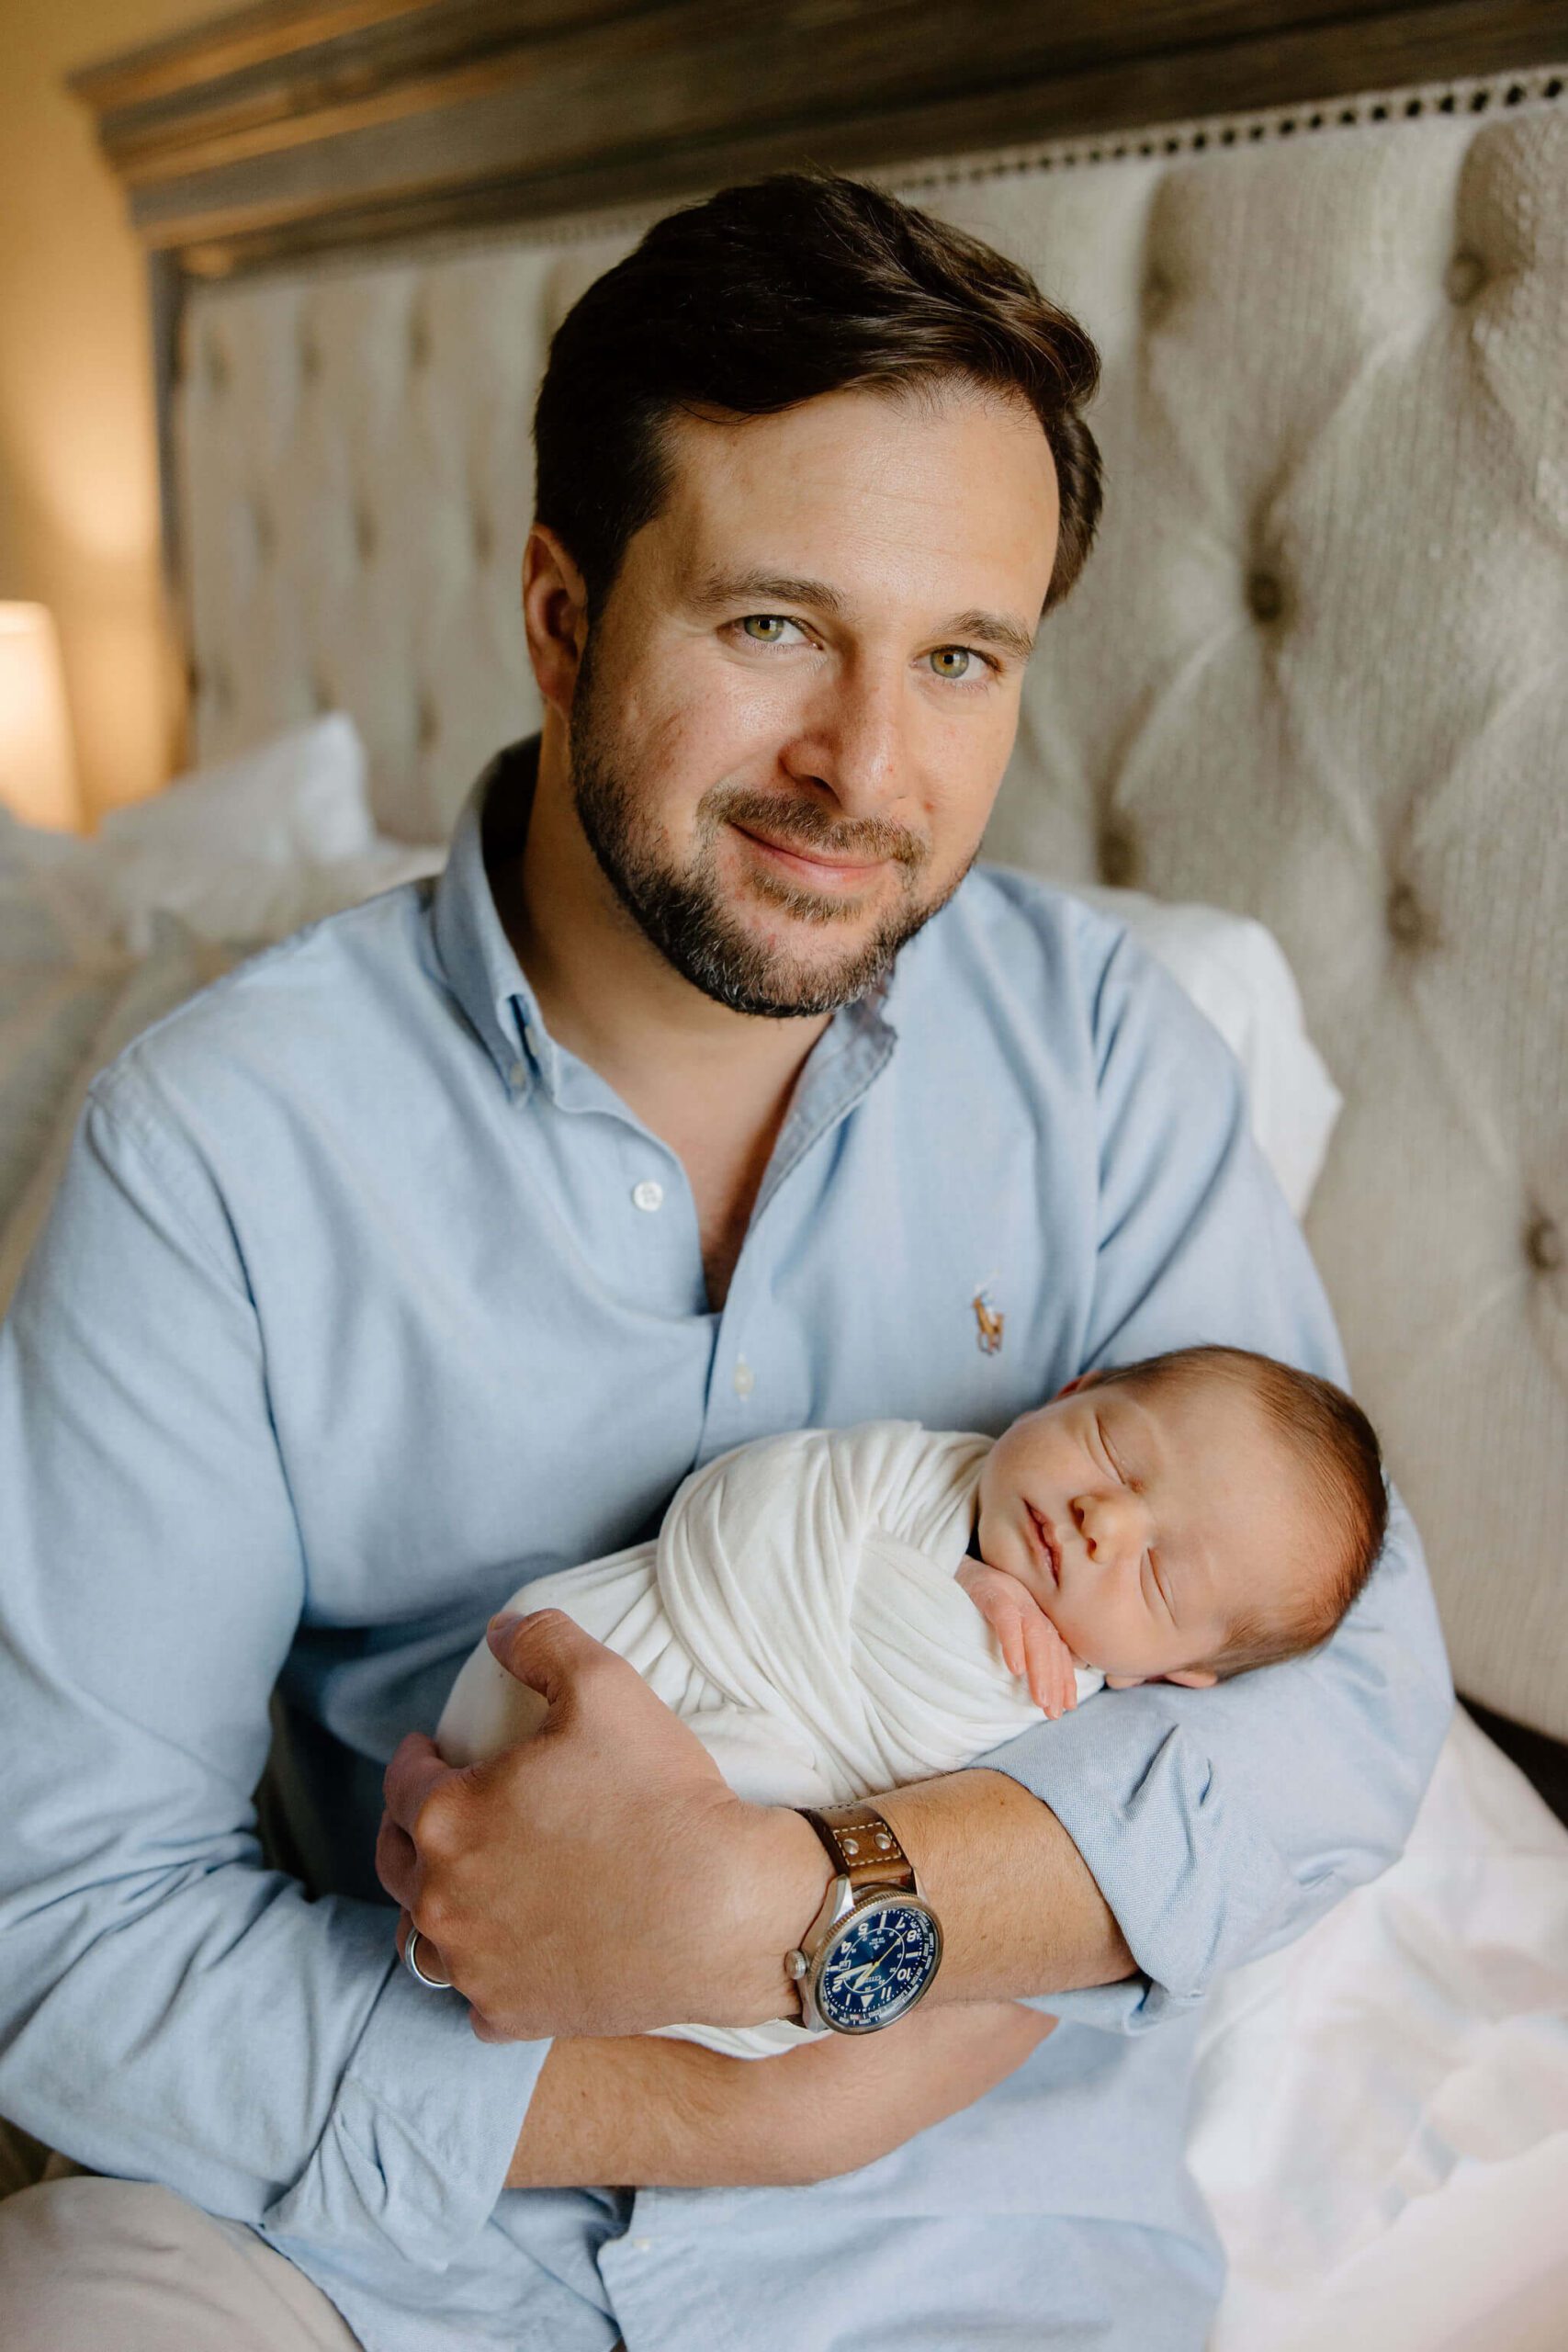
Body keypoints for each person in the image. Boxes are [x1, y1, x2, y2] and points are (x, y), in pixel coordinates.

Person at [0, 170, 1450, 2351]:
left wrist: (801, 1915)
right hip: (372, 2227)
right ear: (562, 612)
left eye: (958, 656)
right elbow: (68, 1922)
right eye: (773, 623)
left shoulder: (1109, 1064)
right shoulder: (216, 1142)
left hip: (975, 2241)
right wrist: (723, 2110)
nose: (862, 769)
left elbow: (1342, 1706)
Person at [434, 1342, 1390, 2059]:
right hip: (656, 1640)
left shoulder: (1069, 1719)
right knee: (550, 1656)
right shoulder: (910, 1474)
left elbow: (910, 1800)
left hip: (753, 1825)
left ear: (1175, 1671)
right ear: (1071, 1394)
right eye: (1111, 1447)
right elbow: (760, 1498)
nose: (1108, 1520)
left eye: (1160, 1577)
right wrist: (960, 1582)